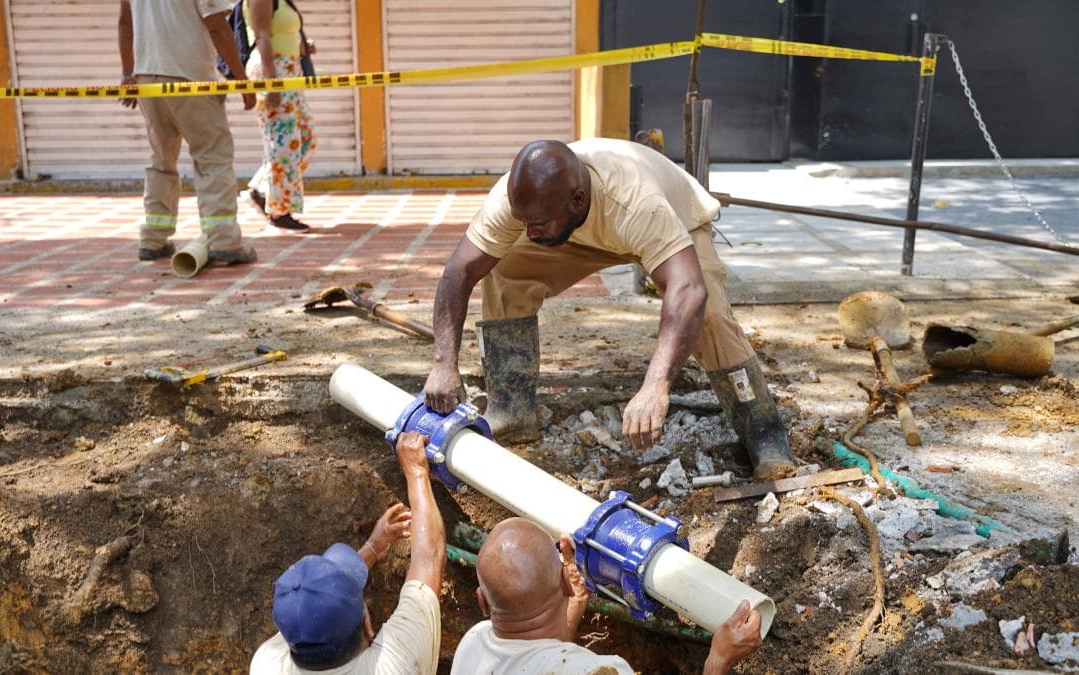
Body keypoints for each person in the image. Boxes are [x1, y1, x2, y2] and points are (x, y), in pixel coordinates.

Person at [424, 138, 796, 480]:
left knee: (708, 313)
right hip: (580, 232)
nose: (530, 232)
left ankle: (762, 432)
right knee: (504, 271)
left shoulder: (635, 201)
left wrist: (655, 387)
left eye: (537, 224)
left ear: (578, 200)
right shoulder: (518, 202)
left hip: (675, 224)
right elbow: (460, 271)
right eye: (525, 223)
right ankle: (512, 409)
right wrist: (444, 365)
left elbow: (687, 289)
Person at [452, 517, 763, 674]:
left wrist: (573, 605)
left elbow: (535, 658)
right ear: (564, 580)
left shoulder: (472, 645)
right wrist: (718, 661)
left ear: (482, 602)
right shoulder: (596, 671)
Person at [250, 432, 445, 674]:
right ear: (367, 626)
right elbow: (430, 558)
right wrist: (416, 471)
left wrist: (372, 549)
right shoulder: (395, 665)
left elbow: (310, 613)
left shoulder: (266, 665)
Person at [118, 0, 259, 265]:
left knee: (160, 160)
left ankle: (152, 239)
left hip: (147, 78)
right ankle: (224, 240)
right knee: (213, 157)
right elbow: (217, 26)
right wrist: (241, 80)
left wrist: (128, 75)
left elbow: (126, 24)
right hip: (189, 78)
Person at [244, 0, 318, 231]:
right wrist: (271, 84)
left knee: (306, 138)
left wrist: (301, 48)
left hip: (289, 69)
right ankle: (278, 210)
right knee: (282, 142)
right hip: (273, 71)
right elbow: (262, 37)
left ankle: (261, 189)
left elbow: (280, 35)